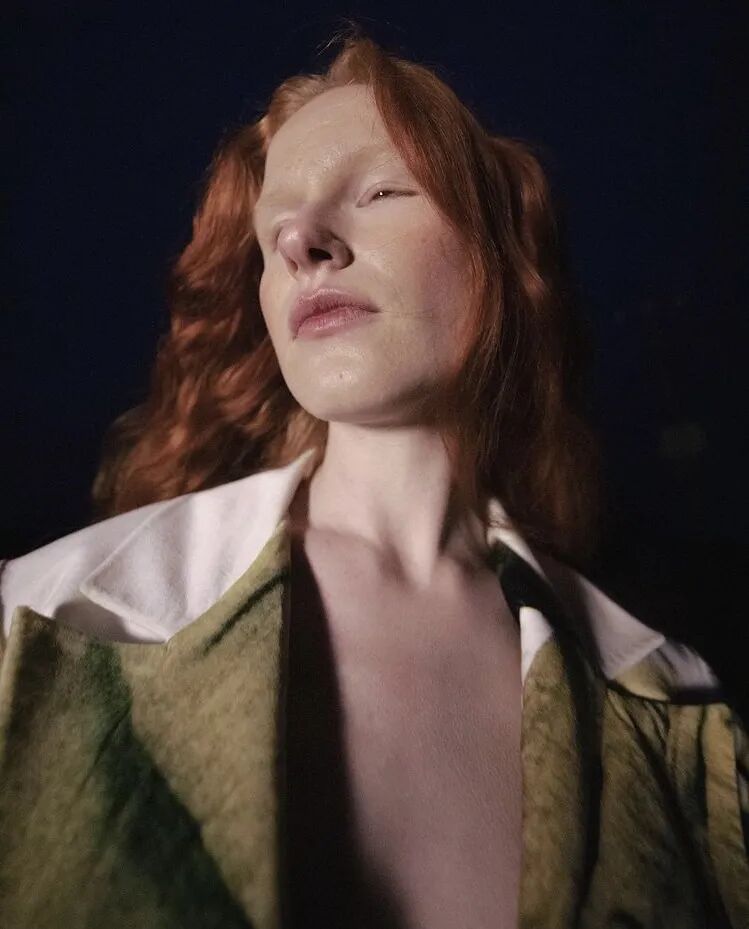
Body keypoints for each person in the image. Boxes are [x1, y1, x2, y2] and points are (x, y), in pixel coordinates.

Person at [0, 26, 747, 929]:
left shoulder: (683, 718)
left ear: (503, 257)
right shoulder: (31, 620)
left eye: (381, 191)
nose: (299, 241)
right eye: (272, 229)